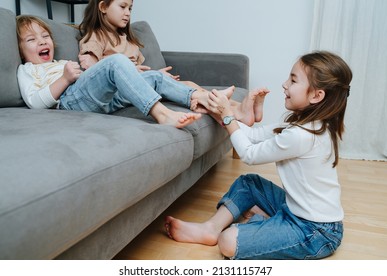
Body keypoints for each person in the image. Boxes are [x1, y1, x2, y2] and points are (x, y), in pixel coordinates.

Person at [165, 51, 353, 260]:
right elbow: (253, 135)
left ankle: (260, 224)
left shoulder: (302, 136)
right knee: (249, 183)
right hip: (295, 210)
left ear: (316, 95)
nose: (284, 84)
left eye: (293, 80)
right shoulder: (304, 125)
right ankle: (211, 228)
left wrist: (228, 116)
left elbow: (249, 154)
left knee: (228, 242)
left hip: (315, 231)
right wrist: (216, 112)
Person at [77, 0, 263, 126]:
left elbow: (142, 73)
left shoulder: (128, 41)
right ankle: (234, 111)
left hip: (136, 88)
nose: (127, 13)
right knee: (165, 81)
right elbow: (92, 70)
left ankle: (236, 109)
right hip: (115, 91)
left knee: (188, 85)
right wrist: (147, 75)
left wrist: (156, 74)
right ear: (103, 6)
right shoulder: (96, 36)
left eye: (130, 9)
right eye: (123, 6)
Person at [16, 15, 202, 128]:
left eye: (45, 36)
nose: (42, 41)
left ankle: (198, 99)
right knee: (115, 61)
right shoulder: (27, 69)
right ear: (21, 52)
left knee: (155, 76)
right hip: (69, 103)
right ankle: (162, 114)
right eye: (32, 39)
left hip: (103, 100)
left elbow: (93, 82)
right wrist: (64, 79)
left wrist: (128, 72)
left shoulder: (61, 62)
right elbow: (34, 102)